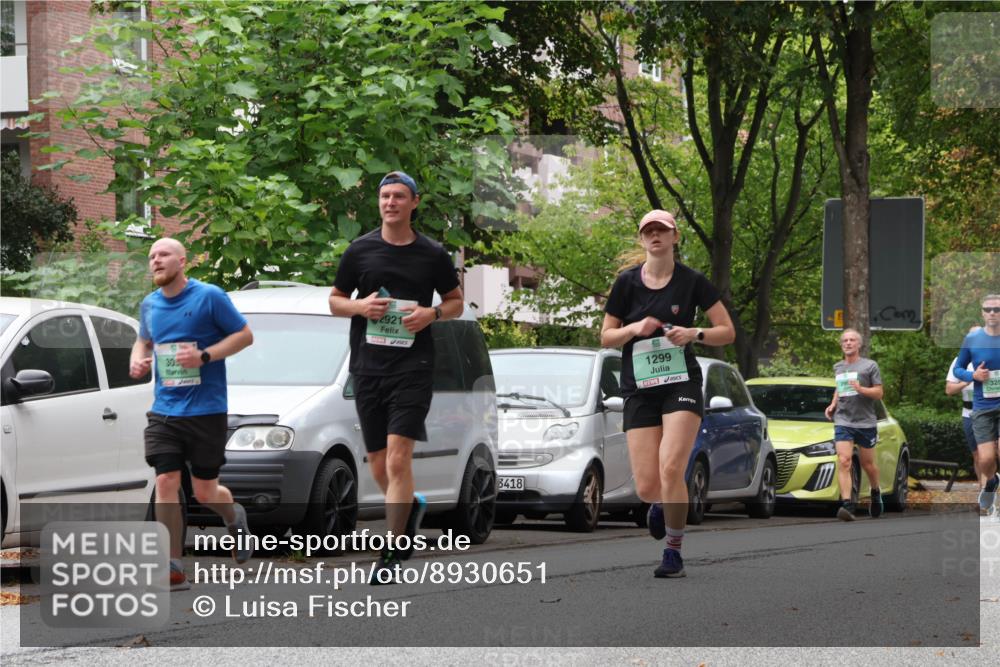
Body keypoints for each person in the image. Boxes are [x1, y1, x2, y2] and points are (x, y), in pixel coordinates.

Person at [329, 170, 463, 583]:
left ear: (414, 203)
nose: (391, 203)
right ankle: (410, 507)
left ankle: (393, 549)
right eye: (385, 196)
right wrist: (360, 308)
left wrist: (431, 314)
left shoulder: (433, 255)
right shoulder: (359, 251)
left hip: (413, 367)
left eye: (399, 196)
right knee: (377, 462)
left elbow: (456, 301)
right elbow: (335, 300)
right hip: (368, 368)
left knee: (399, 455)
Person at [601, 209, 734, 578]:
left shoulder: (692, 282)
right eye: (649, 231)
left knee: (672, 467)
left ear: (675, 237)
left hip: (681, 384)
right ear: (642, 239)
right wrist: (633, 329)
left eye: (662, 230)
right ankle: (658, 502)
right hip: (640, 388)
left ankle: (673, 550)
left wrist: (694, 334)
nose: (655, 236)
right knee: (646, 485)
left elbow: (727, 330)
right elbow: (606, 336)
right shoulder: (627, 284)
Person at [129, 238, 255, 591]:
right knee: (166, 482)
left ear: (182, 261)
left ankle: (234, 517)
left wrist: (204, 356)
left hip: (206, 409)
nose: (156, 260)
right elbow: (144, 340)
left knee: (204, 492)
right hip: (164, 410)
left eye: (163, 254)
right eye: (151, 256)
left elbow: (244, 336)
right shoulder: (150, 304)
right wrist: (137, 357)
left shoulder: (209, 296)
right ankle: (172, 564)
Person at [823, 328, 884, 521]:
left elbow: (879, 393)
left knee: (868, 464)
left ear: (859, 344)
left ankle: (875, 492)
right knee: (844, 460)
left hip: (865, 422)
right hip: (843, 420)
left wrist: (861, 389)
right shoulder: (838, 367)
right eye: (845, 341)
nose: (848, 343)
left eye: (852, 340)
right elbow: (839, 388)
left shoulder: (869, 366)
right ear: (842, 345)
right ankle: (847, 505)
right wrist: (833, 404)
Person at [953, 294, 1000, 515]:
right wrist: (974, 375)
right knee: (986, 458)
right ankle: (991, 482)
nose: (992, 313)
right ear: (982, 313)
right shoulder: (972, 339)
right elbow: (957, 369)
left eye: (996, 309)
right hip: (982, 407)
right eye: (988, 309)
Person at [946, 326, 983, 488]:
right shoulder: (959, 362)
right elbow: (949, 390)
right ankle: (985, 492)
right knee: (978, 455)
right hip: (970, 413)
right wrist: (968, 379)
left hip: (994, 411)